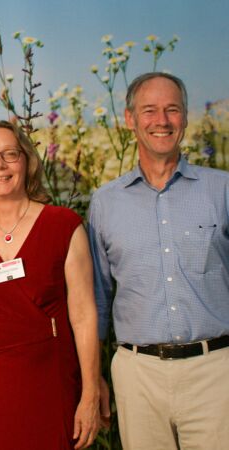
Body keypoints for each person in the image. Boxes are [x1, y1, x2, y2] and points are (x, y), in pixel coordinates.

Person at [0, 120, 100, 450]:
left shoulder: (64, 226)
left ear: (27, 161)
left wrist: (90, 394)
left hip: (49, 384)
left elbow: (83, 317)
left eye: (10, 154)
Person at [88, 72, 229, 449]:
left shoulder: (223, 190)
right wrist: (93, 377)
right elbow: (98, 301)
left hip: (216, 372)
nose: (161, 121)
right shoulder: (104, 203)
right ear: (130, 119)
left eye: (172, 110)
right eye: (149, 110)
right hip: (138, 375)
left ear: (185, 117)